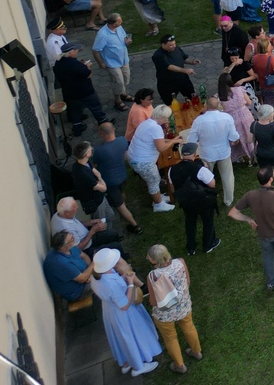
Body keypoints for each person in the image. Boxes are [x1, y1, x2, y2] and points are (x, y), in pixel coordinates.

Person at [89, 248, 162, 376]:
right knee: (130, 337)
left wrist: (124, 277)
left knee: (119, 338)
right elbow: (124, 305)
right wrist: (130, 284)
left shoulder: (96, 277)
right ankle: (138, 366)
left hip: (109, 311)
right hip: (122, 314)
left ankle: (126, 362)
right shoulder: (110, 284)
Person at [229, 167, 274, 290]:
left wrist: (248, 219)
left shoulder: (250, 195)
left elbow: (232, 213)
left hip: (263, 235)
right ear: (271, 179)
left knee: (267, 256)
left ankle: (271, 283)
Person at [146, 244, 203, 374]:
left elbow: (153, 301)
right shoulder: (181, 262)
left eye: (148, 256)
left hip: (164, 315)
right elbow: (187, 282)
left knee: (170, 338)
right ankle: (196, 352)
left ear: (154, 260)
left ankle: (180, 366)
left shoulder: (153, 276)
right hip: (184, 306)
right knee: (189, 327)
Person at [187, 96, 240, 208]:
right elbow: (233, 136)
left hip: (207, 154)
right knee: (227, 177)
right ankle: (228, 200)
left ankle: (208, 197)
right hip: (223, 152)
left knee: (206, 177)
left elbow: (191, 140)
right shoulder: (227, 117)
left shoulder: (199, 121)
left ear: (206, 105)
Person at [169, 142, 220, 256]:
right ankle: (208, 244)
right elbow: (212, 184)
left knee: (190, 223)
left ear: (182, 155)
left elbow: (173, 188)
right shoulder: (200, 169)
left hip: (186, 202)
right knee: (208, 221)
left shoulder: (172, 170)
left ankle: (191, 248)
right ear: (194, 154)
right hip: (203, 200)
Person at [128, 104, 181, 212]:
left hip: (134, 157)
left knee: (154, 180)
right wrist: (173, 141)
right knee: (154, 181)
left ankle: (158, 197)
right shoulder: (156, 128)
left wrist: (174, 140)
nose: (167, 120)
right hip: (143, 162)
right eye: (167, 118)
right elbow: (161, 148)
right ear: (163, 117)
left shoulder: (146, 123)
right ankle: (158, 204)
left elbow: (157, 140)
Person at [55, 41, 108, 135]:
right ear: (70, 53)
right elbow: (88, 75)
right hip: (85, 92)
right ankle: (103, 122)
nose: (77, 51)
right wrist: (87, 67)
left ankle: (77, 127)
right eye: (76, 50)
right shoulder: (75, 64)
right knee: (95, 106)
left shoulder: (58, 63)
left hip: (69, 93)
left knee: (75, 110)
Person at [52, 195, 121, 253]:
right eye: (74, 207)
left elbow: (76, 223)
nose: (77, 207)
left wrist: (91, 222)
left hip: (87, 236)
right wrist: (93, 230)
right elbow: (78, 248)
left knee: (113, 234)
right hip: (86, 247)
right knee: (116, 245)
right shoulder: (66, 229)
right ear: (67, 212)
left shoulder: (61, 214)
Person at [43, 230, 95, 301]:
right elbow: (82, 279)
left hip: (84, 275)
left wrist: (89, 273)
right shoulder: (62, 263)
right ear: (63, 248)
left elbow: (84, 256)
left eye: (72, 236)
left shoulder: (69, 247)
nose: (74, 238)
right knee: (103, 277)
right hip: (78, 290)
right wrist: (94, 264)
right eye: (72, 239)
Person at [152, 35, 200, 105]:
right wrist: (185, 70)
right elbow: (169, 66)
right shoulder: (158, 56)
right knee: (171, 104)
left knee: (192, 97)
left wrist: (192, 62)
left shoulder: (176, 48)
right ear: (163, 44)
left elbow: (184, 58)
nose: (174, 46)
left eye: (174, 44)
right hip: (168, 84)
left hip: (182, 79)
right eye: (171, 45)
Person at [251, 105, 274, 174]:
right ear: (267, 115)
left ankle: (268, 179)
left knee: (265, 171)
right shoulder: (272, 126)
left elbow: (249, 140)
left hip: (260, 152)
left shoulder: (254, 124)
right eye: (272, 112)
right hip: (273, 152)